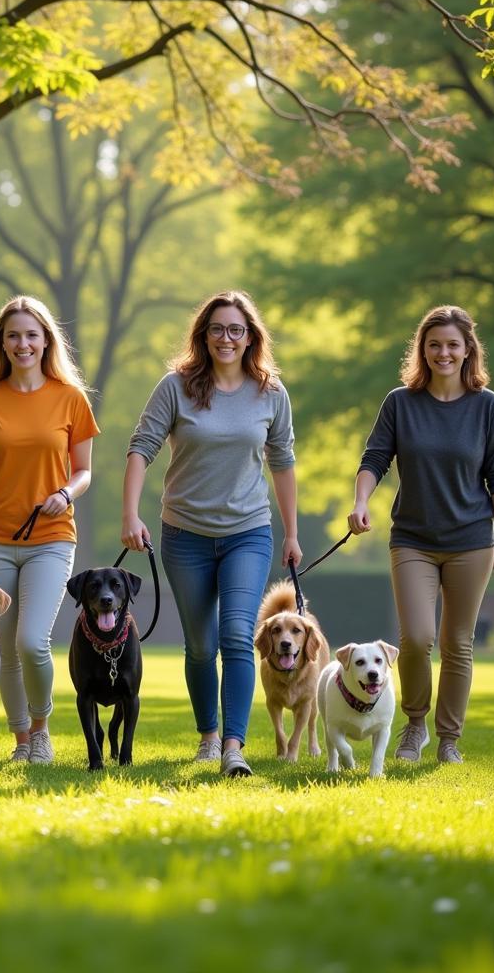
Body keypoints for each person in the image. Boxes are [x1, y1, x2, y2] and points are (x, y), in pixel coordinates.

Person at [121, 290, 301, 778]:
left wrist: (292, 533)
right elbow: (140, 448)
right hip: (186, 535)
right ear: (204, 335)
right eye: (217, 329)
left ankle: (233, 747)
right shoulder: (176, 387)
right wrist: (130, 514)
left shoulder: (270, 392)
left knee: (238, 636)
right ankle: (208, 736)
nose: (226, 337)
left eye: (236, 330)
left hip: (249, 531)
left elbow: (282, 462)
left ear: (250, 338)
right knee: (201, 645)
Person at [348, 304, 494, 764]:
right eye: (434, 344)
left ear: (467, 351)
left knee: (457, 643)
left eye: (452, 345)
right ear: (422, 349)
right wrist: (361, 502)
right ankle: (415, 725)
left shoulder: (488, 407)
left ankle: (448, 739)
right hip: (413, 539)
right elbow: (374, 458)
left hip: (472, 540)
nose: (443, 352)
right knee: (416, 639)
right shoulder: (400, 402)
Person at [0, 296, 99, 764]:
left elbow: (85, 470)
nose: (23, 343)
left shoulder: (70, 398)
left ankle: (42, 726)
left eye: (32, 334)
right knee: (5, 648)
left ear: (46, 340)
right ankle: (22, 741)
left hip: (51, 538)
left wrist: (66, 493)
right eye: (13, 335)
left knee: (33, 641)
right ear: (1, 343)